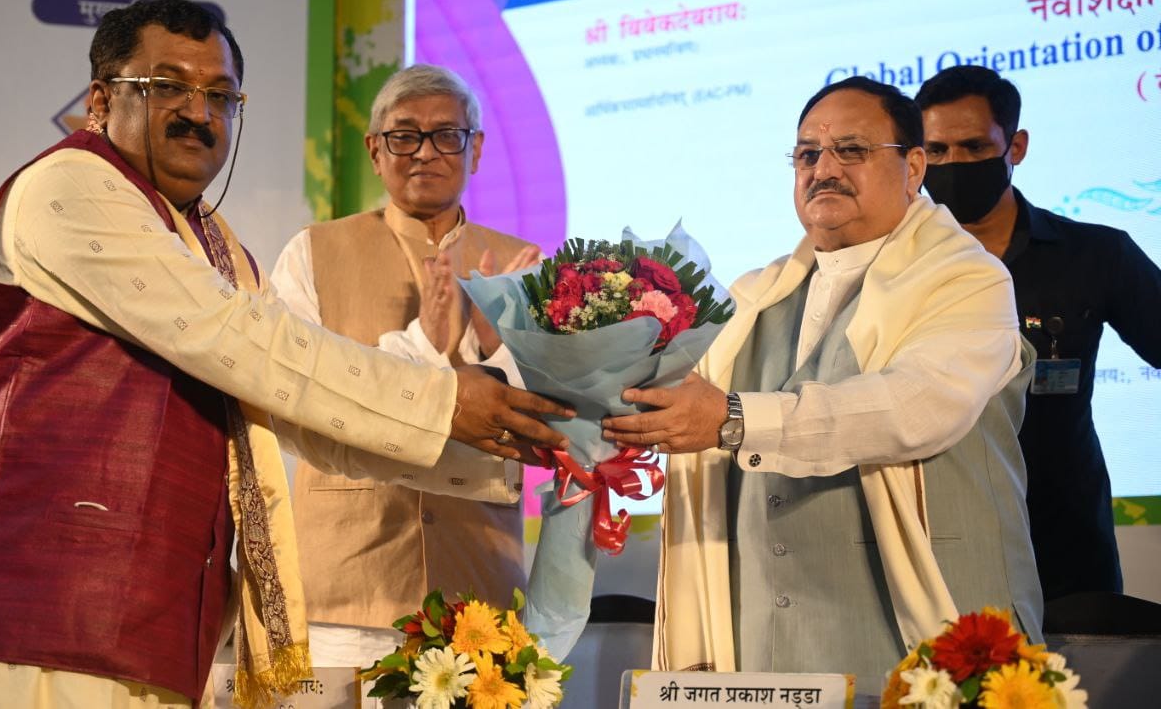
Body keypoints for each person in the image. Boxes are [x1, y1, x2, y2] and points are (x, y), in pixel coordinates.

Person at [0, 0, 570, 709]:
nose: (197, 112)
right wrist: (449, 401)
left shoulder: (215, 243)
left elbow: (298, 418)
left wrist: (520, 437)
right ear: (100, 98)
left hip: (149, 621)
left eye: (220, 95)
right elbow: (248, 346)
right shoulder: (72, 188)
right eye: (166, 87)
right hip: (19, 612)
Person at [602, 77, 1042, 694]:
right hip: (763, 651)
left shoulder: (970, 281)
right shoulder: (755, 298)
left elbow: (912, 406)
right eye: (807, 154)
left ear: (914, 165)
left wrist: (732, 419)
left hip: (918, 632)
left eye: (852, 151)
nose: (824, 169)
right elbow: (661, 395)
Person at [270, 64, 539, 667]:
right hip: (346, 582)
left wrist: (497, 346)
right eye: (404, 135)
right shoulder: (312, 251)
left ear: (477, 150)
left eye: (448, 135)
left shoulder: (522, 269)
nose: (425, 152)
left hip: (480, 582)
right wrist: (426, 342)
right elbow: (296, 396)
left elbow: (547, 426)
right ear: (374, 149)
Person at [916, 65, 1161, 601]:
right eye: (936, 151)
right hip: (933, 544)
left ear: (1016, 146)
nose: (953, 165)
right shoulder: (890, 269)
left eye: (974, 146)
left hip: (1064, 543)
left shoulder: (1096, 253)